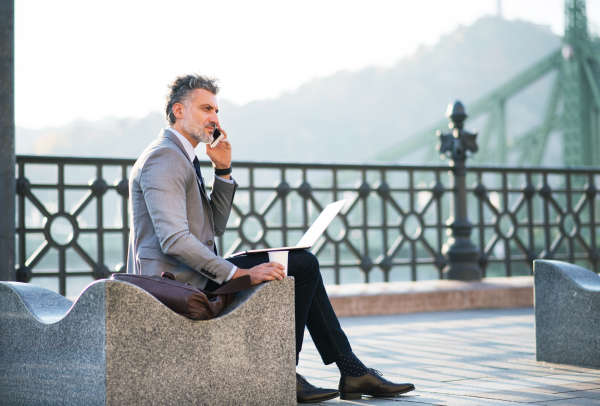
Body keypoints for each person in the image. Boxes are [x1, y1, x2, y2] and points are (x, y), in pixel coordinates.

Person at [127, 73, 415, 403]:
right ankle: (302, 373)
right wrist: (239, 274)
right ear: (179, 111)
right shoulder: (164, 157)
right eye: (207, 109)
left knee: (298, 261)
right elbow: (174, 240)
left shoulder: (185, 157)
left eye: (217, 111)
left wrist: (222, 170)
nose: (215, 119)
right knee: (301, 265)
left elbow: (213, 228)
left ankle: (347, 370)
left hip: (196, 276)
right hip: (176, 285)